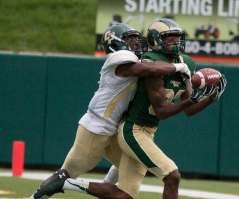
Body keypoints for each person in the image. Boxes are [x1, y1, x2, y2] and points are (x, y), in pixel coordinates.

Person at [61, 18, 226, 199]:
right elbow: (162, 111)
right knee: (172, 176)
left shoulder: (187, 62)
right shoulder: (152, 61)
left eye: (177, 37)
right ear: (156, 40)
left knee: (124, 195)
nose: (175, 41)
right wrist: (192, 100)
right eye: (169, 37)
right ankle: (65, 181)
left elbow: (189, 110)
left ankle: (66, 182)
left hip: (148, 132)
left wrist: (211, 98)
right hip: (133, 130)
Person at [29, 22, 191, 199]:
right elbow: (146, 69)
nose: (136, 42)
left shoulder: (137, 58)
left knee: (128, 168)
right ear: (114, 43)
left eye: (136, 38)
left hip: (115, 128)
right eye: (130, 38)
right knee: (66, 174)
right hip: (96, 127)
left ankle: (104, 187)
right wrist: (179, 67)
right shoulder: (119, 57)